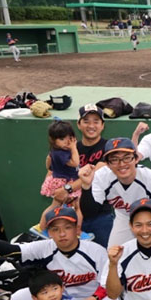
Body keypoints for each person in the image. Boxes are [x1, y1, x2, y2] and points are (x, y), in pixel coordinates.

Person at [78, 138, 151, 246]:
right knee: (114, 252)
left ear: (136, 159)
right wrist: (86, 187)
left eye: (127, 158)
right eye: (114, 159)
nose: (121, 164)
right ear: (107, 164)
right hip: (124, 217)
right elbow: (89, 212)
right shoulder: (101, 177)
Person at [66, 104, 113, 246]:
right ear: (78, 124)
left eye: (96, 121)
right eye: (86, 121)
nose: (91, 126)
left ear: (102, 125)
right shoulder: (73, 149)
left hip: (100, 215)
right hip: (71, 215)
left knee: (104, 255)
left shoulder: (109, 147)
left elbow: (93, 175)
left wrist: (68, 188)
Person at [39, 120, 81, 229]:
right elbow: (75, 163)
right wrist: (73, 148)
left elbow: (48, 163)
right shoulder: (61, 153)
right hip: (63, 182)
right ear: (53, 141)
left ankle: (76, 230)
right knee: (57, 206)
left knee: (72, 207)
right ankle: (42, 227)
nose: (67, 142)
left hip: (65, 179)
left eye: (70, 138)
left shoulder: (56, 151)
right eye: (62, 139)